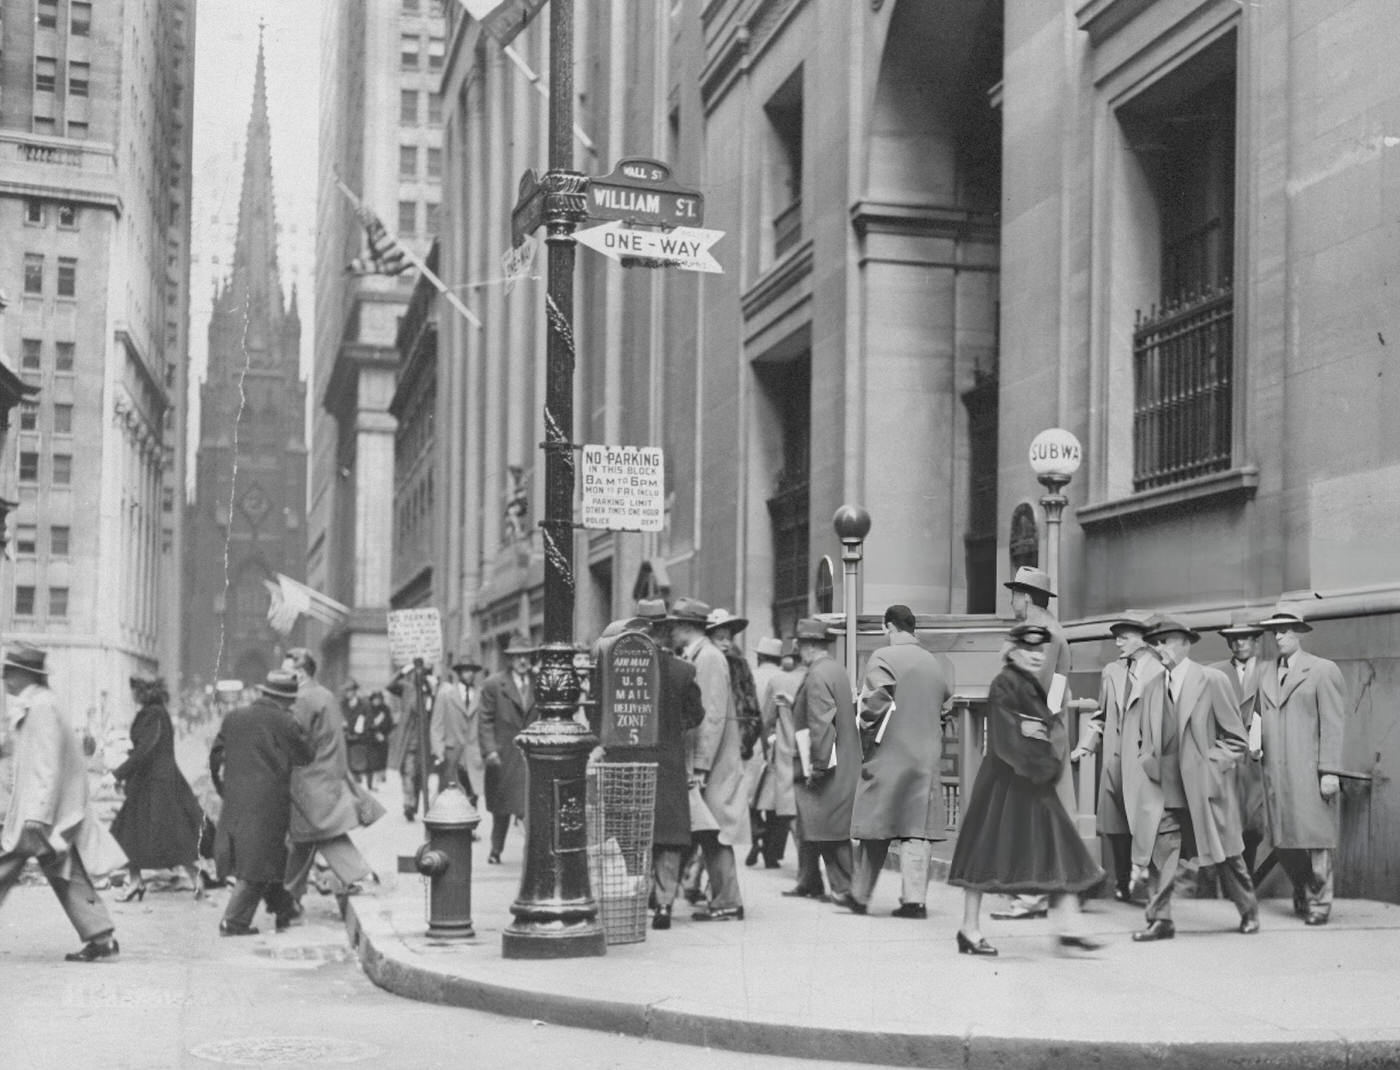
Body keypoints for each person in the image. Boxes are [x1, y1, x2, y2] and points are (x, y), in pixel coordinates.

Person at [948, 625, 1103, 956]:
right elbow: (1011, 736)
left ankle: (1068, 926)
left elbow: (1034, 729)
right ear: (1013, 650)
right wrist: (1043, 767)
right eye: (1028, 649)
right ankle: (969, 929)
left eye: (1040, 650)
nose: (1036, 655)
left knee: (1059, 848)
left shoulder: (1024, 683)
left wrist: (1042, 764)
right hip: (1010, 784)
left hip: (1025, 780)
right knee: (986, 856)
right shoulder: (1006, 683)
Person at [1130, 617, 1258, 942]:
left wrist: (1210, 767)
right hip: (1167, 786)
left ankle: (1248, 910)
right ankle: (1160, 920)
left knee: (1228, 854)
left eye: (1167, 641)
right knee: (1163, 853)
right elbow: (1145, 738)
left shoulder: (1211, 680)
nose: (1160, 648)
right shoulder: (1152, 687)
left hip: (1205, 788)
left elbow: (1237, 739)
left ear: (1186, 643)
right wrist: (1149, 763)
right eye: (1155, 643)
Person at [0, 643, 124, 961]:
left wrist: (37, 815)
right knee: (62, 869)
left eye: (10, 673)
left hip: (40, 813)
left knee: (9, 864)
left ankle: (101, 938)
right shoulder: (39, 703)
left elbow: (47, 764)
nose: (5, 679)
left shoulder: (41, 707)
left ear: (27, 675)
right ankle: (101, 937)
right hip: (44, 811)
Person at [849, 604, 953, 918]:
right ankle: (914, 901)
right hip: (925, 755)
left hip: (890, 753)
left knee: (875, 825)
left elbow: (874, 705)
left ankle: (860, 895)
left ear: (888, 626)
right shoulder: (934, 662)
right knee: (915, 830)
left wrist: (860, 719)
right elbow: (946, 706)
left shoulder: (882, 658)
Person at [606, 609, 705, 931]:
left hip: (628, 759)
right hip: (668, 761)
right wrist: (673, 728)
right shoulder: (683, 671)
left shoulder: (618, 669)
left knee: (634, 831)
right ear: (666, 631)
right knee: (669, 835)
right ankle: (664, 903)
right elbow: (697, 715)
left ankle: (636, 896)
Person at [1255, 607, 1347, 926]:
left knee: (1316, 837)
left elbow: (1333, 723)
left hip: (1309, 769)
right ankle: (1304, 889)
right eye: (1275, 631)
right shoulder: (1264, 673)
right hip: (1275, 771)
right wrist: (1254, 745)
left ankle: (1319, 902)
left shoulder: (1322, 670)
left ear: (1299, 632)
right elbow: (1255, 718)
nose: (1279, 636)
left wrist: (1330, 770)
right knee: (1282, 840)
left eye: (1286, 630)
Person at [992, 566, 1074, 922]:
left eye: (1014, 594)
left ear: (1025, 597)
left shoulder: (1041, 636)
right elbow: (1057, 691)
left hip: (1033, 737)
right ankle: (1041, 891)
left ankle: (1031, 895)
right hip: (1044, 733)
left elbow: (1037, 692)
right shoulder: (1056, 633)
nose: (1011, 601)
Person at [210, 669, 313, 936]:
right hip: (269, 802)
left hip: (235, 797)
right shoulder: (285, 722)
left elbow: (215, 757)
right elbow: (305, 756)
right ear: (287, 699)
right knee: (257, 862)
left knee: (267, 857)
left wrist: (224, 788)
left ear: (264, 693)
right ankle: (233, 921)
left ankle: (285, 909)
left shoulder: (234, 717)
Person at [1070, 611, 1162, 902]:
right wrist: (1085, 745)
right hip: (1114, 758)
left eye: (1124, 635)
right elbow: (1100, 715)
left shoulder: (1159, 671)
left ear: (1142, 639)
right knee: (1116, 827)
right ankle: (1123, 884)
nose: (1118, 641)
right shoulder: (1111, 670)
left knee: (1145, 822)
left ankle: (1146, 887)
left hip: (1143, 760)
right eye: (1116, 635)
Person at [670, 596, 748, 921]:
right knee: (707, 831)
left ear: (687, 626)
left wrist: (700, 765)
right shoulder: (702, 655)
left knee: (713, 831)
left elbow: (711, 716)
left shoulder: (710, 658)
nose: (672, 631)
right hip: (709, 760)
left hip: (712, 762)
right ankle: (715, 896)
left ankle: (728, 900)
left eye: (675, 625)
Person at [281, 648, 374, 912]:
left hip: (309, 778)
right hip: (328, 773)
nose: (281, 676)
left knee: (319, 834)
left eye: (286, 671)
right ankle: (289, 895)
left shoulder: (302, 698)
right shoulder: (325, 694)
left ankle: (357, 875)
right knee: (303, 840)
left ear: (299, 673)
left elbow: (292, 738)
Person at [785, 619, 860, 913]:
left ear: (808, 646)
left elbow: (820, 723)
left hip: (826, 762)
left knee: (826, 827)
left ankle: (843, 889)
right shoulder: (835, 670)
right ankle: (810, 881)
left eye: (800, 646)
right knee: (814, 824)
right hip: (843, 759)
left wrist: (817, 766)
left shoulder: (817, 675)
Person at [110, 675, 205, 902]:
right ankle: (136, 883)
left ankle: (194, 877)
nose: (131, 694)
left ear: (143, 692)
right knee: (132, 832)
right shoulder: (156, 712)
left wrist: (118, 773)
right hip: (152, 781)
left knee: (162, 833)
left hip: (155, 784)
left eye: (134, 689)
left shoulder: (153, 714)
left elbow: (146, 749)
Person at [1207, 610, 1268, 878]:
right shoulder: (1214, 673)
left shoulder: (1271, 672)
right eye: (1233, 638)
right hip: (1224, 759)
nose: (1239, 643)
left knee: (1253, 828)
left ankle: (1247, 887)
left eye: (1245, 638)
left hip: (1258, 762)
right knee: (1221, 826)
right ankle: (1222, 893)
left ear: (1256, 640)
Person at [704, 609, 766, 867]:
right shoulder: (704, 662)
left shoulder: (739, 667)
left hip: (731, 752)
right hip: (707, 748)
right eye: (720, 637)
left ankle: (701, 880)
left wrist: (743, 744)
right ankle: (696, 879)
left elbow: (752, 711)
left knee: (721, 816)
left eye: (728, 636)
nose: (726, 642)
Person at [479, 634, 537, 864]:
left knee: (529, 806)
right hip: (504, 754)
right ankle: (496, 849)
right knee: (501, 808)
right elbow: (485, 719)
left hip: (531, 753)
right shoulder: (494, 684)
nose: (522, 661)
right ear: (510, 659)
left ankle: (532, 852)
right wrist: (490, 750)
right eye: (517, 657)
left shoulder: (539, 681)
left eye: (526, 656)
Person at [747, 637, 789, 868]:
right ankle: (772, 853)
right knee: (776, 801)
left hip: (752, 743)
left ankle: (757, 832)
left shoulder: (751, 676)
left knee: (748, 797)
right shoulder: (785, 679)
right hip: (777, 742)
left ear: (759, 656)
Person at [432, 656, 486, 805]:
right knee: (450, 795)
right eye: (465, 671)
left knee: (472, 794)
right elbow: (436, 726)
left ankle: (470, 827)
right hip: (452, 754)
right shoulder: (446, 694)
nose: (469, 674)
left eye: (472, 671)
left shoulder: (481, 695)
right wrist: (439, 751)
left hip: (474, 753)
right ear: (459, 673)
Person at [341, 682, 373, 787]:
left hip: (360, 739)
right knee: (348, 764)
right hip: (346, 738)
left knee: (360, 763)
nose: (347, 693)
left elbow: (368, 720)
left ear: (354, 691)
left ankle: (360, 781)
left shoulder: (364, 705)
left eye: (349, 691)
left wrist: (361, 732)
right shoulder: (342, 704)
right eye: (346, 691)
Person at [362, 690, 395, 790]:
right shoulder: (367, 709)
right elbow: (364, 723)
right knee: (369, 763)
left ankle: (376, 782)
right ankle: (369, 782)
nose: (377, 701)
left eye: (378, 699)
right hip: (370, 739)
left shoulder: (385, 710)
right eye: (375, 699)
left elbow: (389, 724)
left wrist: (384, 735)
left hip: (382, 740)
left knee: (379, 762)